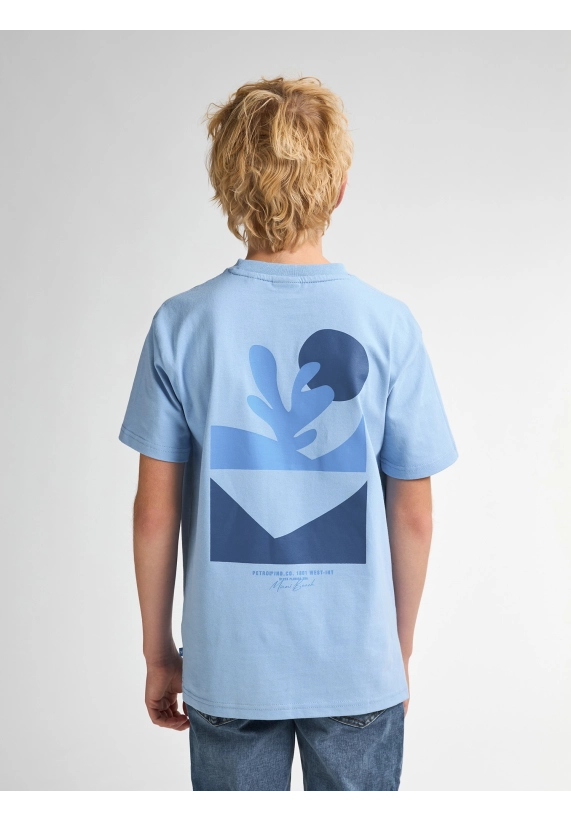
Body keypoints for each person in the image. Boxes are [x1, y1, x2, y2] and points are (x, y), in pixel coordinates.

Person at [118, 75, 458, 792]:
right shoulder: (388, 324)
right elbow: (415, 513)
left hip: (229, 666)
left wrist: (159, 651)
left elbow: (154, 512)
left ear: (226, 188)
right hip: (355, 667)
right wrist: (393, 653)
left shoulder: (182, 324)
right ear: (339, 188)